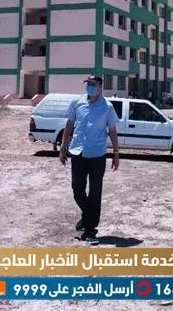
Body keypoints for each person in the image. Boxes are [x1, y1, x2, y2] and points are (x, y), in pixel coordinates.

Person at [59, 75, 120, 246]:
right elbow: (69, 124)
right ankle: (87, 216)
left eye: (93, 84)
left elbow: (112, 131)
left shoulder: (107, 107)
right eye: (88, 84)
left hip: (97, 155)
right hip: (78, 152)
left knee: (95, 192)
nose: (90, 87)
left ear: (100, 87)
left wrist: (116, 153)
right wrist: (63, 147)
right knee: (77, 189)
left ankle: (90, 230)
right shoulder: (77, 102)